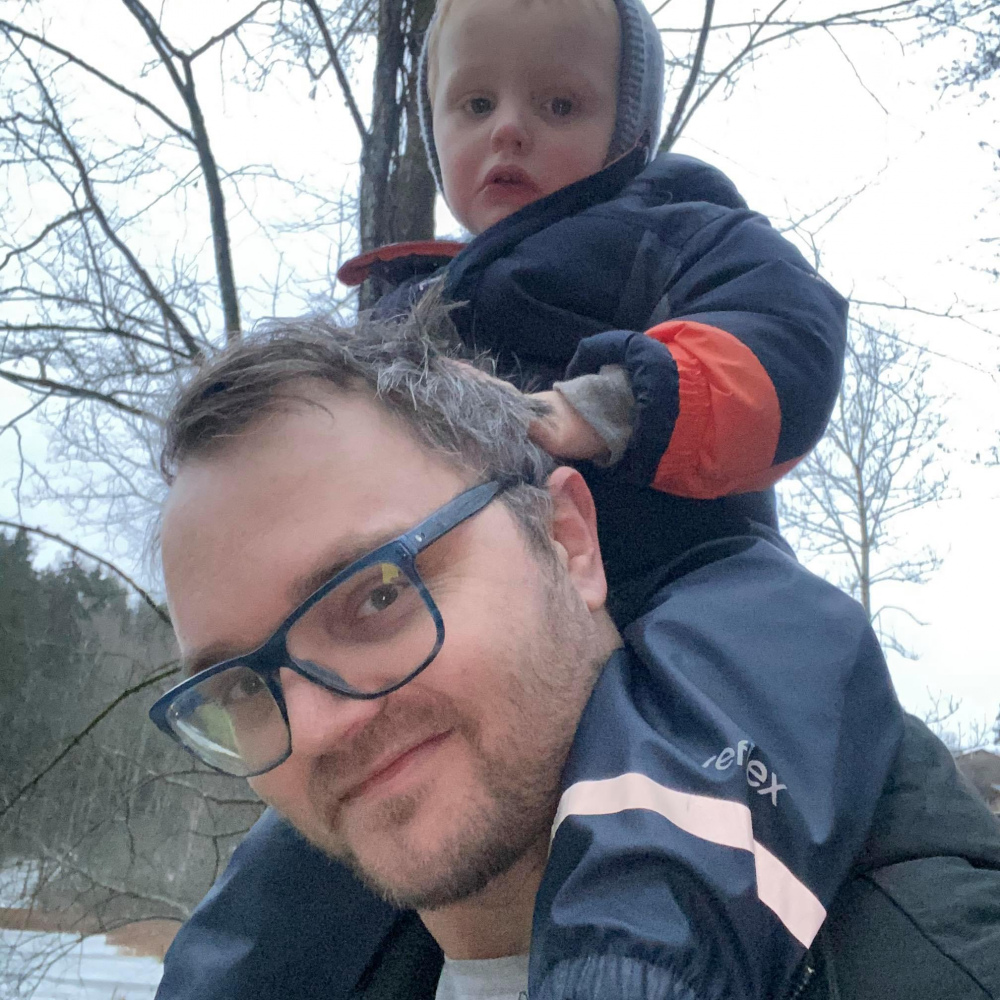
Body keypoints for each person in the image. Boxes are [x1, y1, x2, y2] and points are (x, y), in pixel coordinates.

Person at [151, 305, 1000, 1000]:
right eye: (243, 690)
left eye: (378, 595)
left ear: (568, 540)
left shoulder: (937, 961)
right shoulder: (273, 962)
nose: (316, 727)